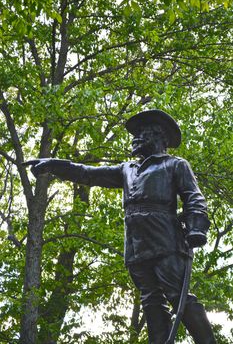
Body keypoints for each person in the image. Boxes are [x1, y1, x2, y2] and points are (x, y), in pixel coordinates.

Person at [24, 109, 216, 344]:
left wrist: (197, 227)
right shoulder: (127, 169)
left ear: (160, 137)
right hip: (135, 245)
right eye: (134, 135)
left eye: (142, 134)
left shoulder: (175, 165)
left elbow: (194, 198)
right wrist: (54, 165)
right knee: (151, 301)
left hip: (166, 239)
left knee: (179, 297)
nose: (135, 139)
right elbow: (88, 174)